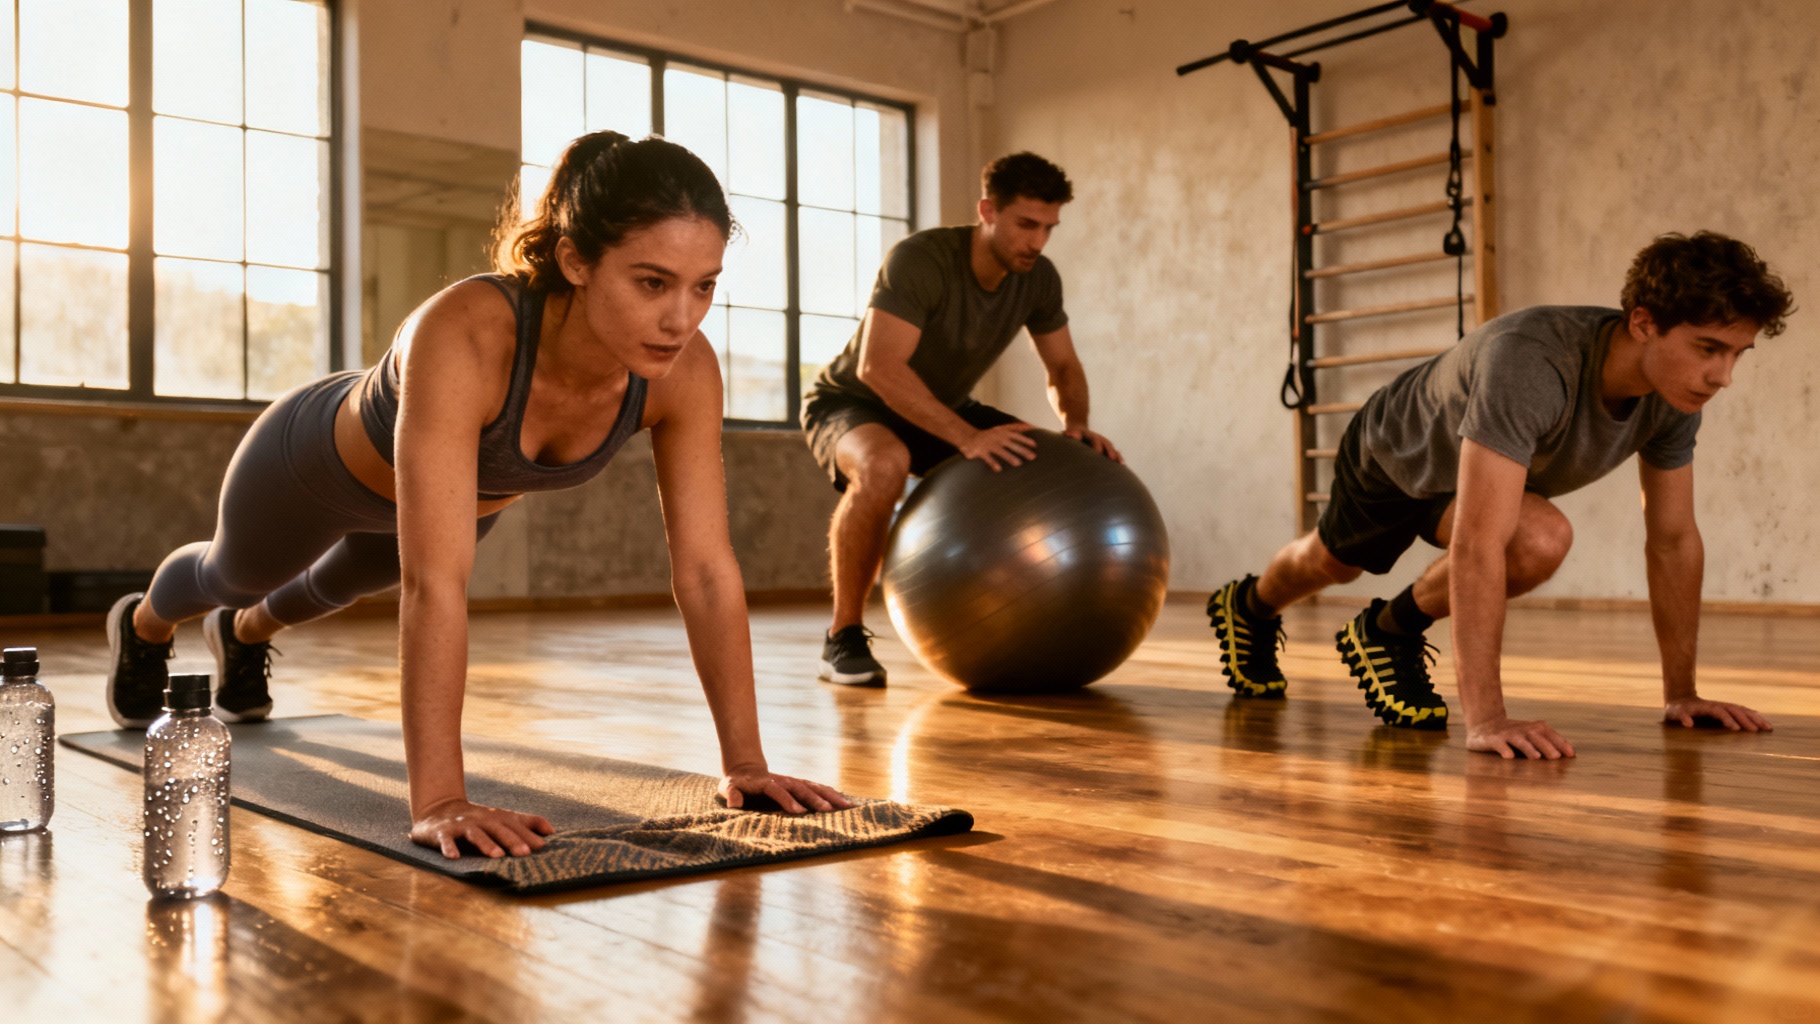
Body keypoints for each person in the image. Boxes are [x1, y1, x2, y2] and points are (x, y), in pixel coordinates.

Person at [105, 132, 852, 858]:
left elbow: (706, 569)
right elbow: (437, 583)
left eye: (704, 287)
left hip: (449, 502)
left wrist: (746, 765)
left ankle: (244, 635)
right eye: (652, 282)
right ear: (576, 260)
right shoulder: (468, 330)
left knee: (324, 591)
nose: (680, 317)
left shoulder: (684, 372)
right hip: (310, 469)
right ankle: (142, 625)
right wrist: (438, 801)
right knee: (232, 575)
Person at [1206, 231, 1794, 758]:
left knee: (1540, 539)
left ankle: (1385, 632)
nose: (1724, 377)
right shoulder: (1533, 362)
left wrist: (1681, 693)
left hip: (1479, 469)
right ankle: (1249, 607)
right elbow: (1477, 543)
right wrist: (1486, 719)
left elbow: (1672, 539)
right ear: (1643, 322)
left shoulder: (1674, 397)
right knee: (1330, 563)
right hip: (1398, 453)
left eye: (1737, 353)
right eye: (1708, 348)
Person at [801, 152, 1121, 686]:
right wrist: (966, 436)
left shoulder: (1038, 280)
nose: (1038, 242)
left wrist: (1076, 426)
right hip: (853, 402)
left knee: (1045, 461)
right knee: (885, 465)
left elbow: (1063, 366)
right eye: (1026, 225)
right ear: (987, 210)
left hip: (942, 404)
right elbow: (878, 367)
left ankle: (1022, 618)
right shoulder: (921, 260)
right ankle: (843, 636)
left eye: (1048, 228)